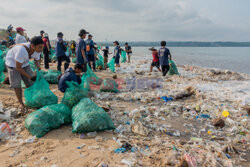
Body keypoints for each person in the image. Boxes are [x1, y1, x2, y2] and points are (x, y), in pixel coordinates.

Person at [5, 36, 43, 112]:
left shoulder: (37, 50)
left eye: (42, 47)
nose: (41, 49)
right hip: (12, 63)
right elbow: (18, 67)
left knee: (31, 83)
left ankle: (31, 99)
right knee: (17, 84)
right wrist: (29, 76)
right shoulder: (21, 51)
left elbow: (37, 59)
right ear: (33, 46)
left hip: (24, 63)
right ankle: (21, 103)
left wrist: (38, 66)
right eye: (40, 47)